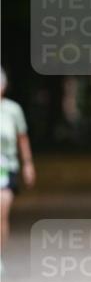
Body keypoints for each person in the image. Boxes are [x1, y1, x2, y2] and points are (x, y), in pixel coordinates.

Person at [0, 67, 36, 266]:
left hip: (6, 166)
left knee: (2, 211)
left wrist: (28, 164)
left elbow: (22, 138)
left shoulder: (13, 110)